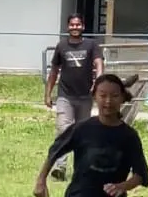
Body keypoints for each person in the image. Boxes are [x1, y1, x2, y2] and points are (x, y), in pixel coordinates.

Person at [44, 13, 103, 178]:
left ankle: (82, 167)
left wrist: (98, 82)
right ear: (68, 27)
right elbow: (54, 71)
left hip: (85, 96)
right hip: (65, 96)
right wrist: (48, 94)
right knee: (64, 130)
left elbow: (99, 63)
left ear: (83, 27)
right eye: (72, 25)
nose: (75, 27)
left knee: (83, 132)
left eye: (78, 25)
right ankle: (59, 168)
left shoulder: (91, 45)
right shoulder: (62, 46)